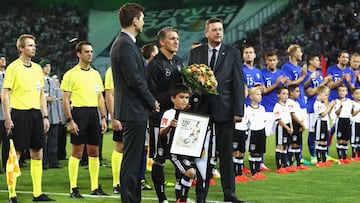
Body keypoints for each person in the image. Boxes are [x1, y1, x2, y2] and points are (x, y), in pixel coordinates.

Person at [188, 18, 245, 203]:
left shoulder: (232, 53)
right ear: (207, 33)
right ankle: (200, 194)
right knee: (200, 153)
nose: (218, 32)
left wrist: (239, 111)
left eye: (220, 29)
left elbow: (238, 83)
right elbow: (189, 80)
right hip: (200, 110)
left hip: (225, 110)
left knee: (226, 154)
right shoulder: (196, 53)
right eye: (214, 30)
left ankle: (230, 193)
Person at [110, 3, 160, 203]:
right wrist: (151, 101)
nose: (144, 22)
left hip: (132, 109)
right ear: (135, 20)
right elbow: (135, 80)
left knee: (135, 159)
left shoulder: (125, 43)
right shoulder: (124, 44)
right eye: (142, 18)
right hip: (133, 110)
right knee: (131, 161)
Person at [2, 34, 55, 202]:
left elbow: (41, 94)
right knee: (16, 153)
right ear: (21, 48)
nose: (34, 48)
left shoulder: (37, 69)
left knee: (37, 153)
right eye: (30, 45)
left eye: (34, 45)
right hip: (19, 114)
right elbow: (5, 94)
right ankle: (12, 194)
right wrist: (8, 118)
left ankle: (37, 193)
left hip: (35, 115)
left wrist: (45, 116)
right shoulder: (13, 68)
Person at [61, 41, 108, 198]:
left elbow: (100, 97)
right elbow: (65, 99)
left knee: (94, 151)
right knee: (77, 151)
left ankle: (95, 187)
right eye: (87, 51)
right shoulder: (70, 74)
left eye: (91, 51)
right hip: (79, 113)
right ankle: (73, 188)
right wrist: (70, 120)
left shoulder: (95, 74)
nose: (90, 54)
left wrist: (103, 117)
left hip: (93, 114)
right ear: (79, 54)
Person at [146, 26, 182, 203]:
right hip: (159, 120)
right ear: (161, 42)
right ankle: (162, 199)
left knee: (179, 156)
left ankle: (178, 195)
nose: (176, 41)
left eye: (177, 38)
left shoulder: (179, 62)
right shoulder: (154, 65)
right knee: (159, 158)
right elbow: (149, 93)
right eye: (172, 38)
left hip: (178, 119)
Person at [159, 84, 195, 203]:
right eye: (181, 97)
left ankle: (179, 198)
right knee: (190, 172)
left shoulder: (190, 114)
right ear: (173, 98)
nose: (184, 100)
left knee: (180, 178)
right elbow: (161, 132)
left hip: (188, 149)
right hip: (175, 151)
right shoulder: (169, 114)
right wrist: (170, 126)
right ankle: (183, 199)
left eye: (186, 97)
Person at [281, 44, 309, 165]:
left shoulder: (298, 68)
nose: (301, 54)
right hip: (292, 103)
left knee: (300, 131)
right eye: (299, 52)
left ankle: (299, 156)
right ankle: (288, 158)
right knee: (293, 131)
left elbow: (302, 85)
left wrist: (307, 77)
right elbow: (289, 85)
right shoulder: (286, 67)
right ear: (293, 54)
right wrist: (303, 76)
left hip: (301, 102)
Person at [303, 54, 332, 164]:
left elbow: (322, 91)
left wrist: (325, 82)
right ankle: (313, 156)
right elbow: (310, 92)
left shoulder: (319, 75)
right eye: (316, 60)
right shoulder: (308, 75)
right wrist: (323, 82)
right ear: (310, 61)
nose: (319, 62)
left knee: (324, 131)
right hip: (312, 107)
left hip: (322, 106)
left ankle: (325, 155)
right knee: (312, 132)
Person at [141, 42, 159, 191]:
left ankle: (149, 178)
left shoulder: (148, 69)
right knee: (145, 147)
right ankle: (140, 178)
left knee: (149, 147)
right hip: (147, 114)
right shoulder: (146, 71)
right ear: (153, 54)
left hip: (150, 113)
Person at [39, 59, 61, 169]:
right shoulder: (39, 80)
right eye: (46, 66)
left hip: (54, 114)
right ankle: (43, 161)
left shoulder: (52, 81)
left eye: (49, 66)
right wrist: (45, 99)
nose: (48, 68)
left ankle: (53, 161)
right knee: (42, 139)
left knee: (54, 139)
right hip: (43, 114)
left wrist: (59, 114)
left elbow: (57, 98)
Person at [104, 66, 123, 194]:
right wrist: (114, 116)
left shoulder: (137, 66)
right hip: (122, 113)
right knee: (120, 146)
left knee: (136, 148)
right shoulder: (112, 70)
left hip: (137, 113)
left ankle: (131, 180)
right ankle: (117, 182)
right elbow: (109, 94)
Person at [261, 51, 288, 137]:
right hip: (267, 109)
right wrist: (276, 84)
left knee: (281, 136)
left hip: (280, 109)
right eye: (270, 60)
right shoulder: (262, 73)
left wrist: (283, 84)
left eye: (274, 60)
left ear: (277, 61)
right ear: (266, 61)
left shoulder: (282, 73)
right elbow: (263, 91)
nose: (272, 62)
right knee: (265, 135)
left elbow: (284, 92)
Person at [245, 87, 267, 179]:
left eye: (260, 94)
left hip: (261, 131)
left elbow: (264, 120)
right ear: (251, 96)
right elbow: (246, 122)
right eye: (257, 94)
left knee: (259, 151)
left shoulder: (262, 108)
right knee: (253, 152)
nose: (259, 96)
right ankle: (253, 172)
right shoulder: (248, 109)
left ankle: (258, 171)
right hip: (253, 132)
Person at [287, 84, 309, 170]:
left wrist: (302, 123)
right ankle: (291, 163)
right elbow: (293, 115)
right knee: (293, 143)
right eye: (296, 91)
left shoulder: (296, 103)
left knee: (297, 144)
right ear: (291, 93)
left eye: (299, 91)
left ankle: (299, 163)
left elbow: (299, 114)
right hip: (294, 124)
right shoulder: (289, 102)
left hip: (298, 124)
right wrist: (301, 124)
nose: (298, 93)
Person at [313, 86, 335, 167]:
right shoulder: (317, 104)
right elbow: (323, 114)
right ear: (320, 94)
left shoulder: (322, 104)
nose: (326, 97)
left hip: (325, 123)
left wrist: (331, 107)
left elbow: (327, 114)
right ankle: (319, 161)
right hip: (320, 124)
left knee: (324, 142)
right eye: (325, 95)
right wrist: (330, 106)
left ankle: (324, 160)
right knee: (320, 142)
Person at [232, 85, 251, 182]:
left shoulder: (244, 104)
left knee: (241, 152)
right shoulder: (234, 103)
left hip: (243, 130)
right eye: (243, 90)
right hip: (236, 130)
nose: (245, 92)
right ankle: (234, 174)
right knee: (235, 152)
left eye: (246, 90)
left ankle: (239, 173)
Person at [273, 86, 293, 174]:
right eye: (283, 94)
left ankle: (285, 165)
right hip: (282, 127)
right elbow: (278, 119)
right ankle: (279, 166)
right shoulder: (277, 106)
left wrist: (291, 127)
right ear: (278, 95)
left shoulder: (286, 106)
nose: (286, 96)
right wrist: (287, 127)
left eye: (287, 94)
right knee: (280, 146)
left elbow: (289, 117)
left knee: (286, 146)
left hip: (288, 126)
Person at [332, 84, 353, 164]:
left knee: (345, 139)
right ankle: (340, 157)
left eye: (343, 91)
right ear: (338, 92)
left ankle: (345, 156)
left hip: (347, 120)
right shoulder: (336, 102)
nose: (342, 92)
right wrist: (340, 107)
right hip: (340, 120)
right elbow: (336, 113)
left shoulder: (349, 102)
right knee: (340, 139)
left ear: (346, 92)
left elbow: (351, 112)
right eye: (340, 91)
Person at [0, 53, 9, 173]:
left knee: (8, 143)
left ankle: (7, 166)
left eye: (4, 58)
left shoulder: (8, 75)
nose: (3, 61)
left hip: (8, 114)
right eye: (1, 59)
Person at [351, 87, 360, 160]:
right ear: (352, 95)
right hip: (355, 122)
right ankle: (354, 155)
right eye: (356, 93)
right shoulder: (352, 103)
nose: (359, 95)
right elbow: (353, 114)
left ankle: (359, 155)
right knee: (354, 139)